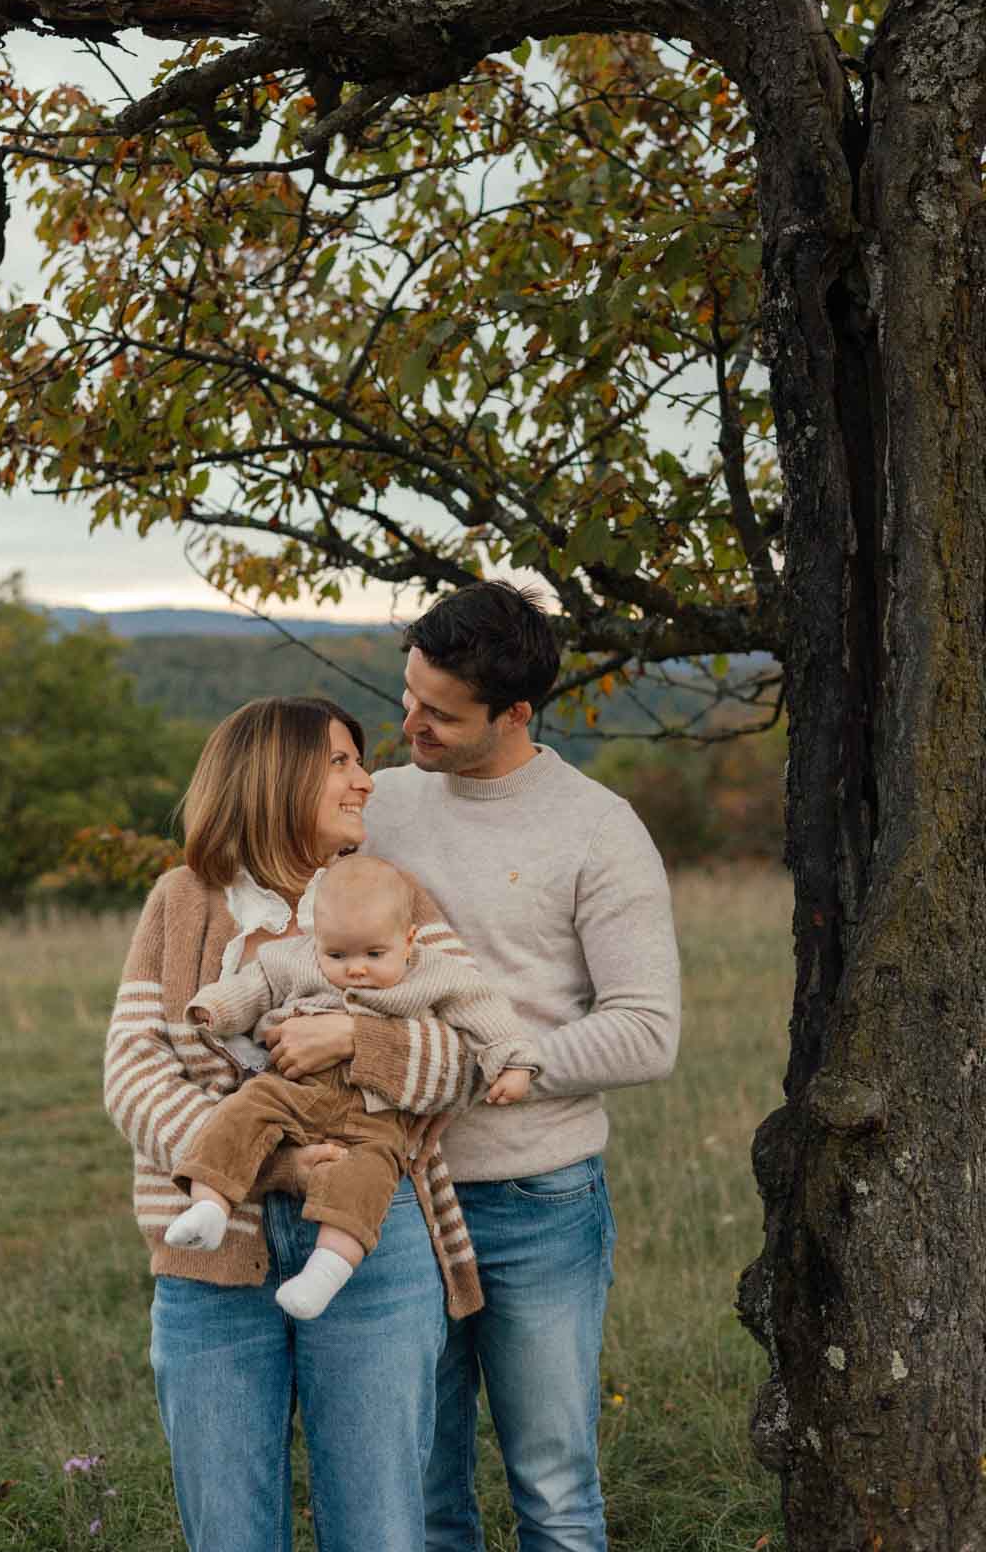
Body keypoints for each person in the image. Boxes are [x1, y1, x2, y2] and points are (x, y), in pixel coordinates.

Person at [102, 696, 482, 1552]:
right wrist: (267, 1163)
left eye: (360, 760)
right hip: (209, 1252)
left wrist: (360, 1038)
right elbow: (132, 1073)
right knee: (230, 1532)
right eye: (342, 761)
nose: (365, 779)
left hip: (370, 1247)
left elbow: (465, 1058)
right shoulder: (182, 904)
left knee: (380, 1527)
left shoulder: (392, 895)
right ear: (275, 777)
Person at [361, 580, 681, 1552]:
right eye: (407, 694)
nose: (408, 723)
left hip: (538, 1199)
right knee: (418, 1493)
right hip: (399, 1193)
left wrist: (491, 1064)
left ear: (513, 713)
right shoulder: (377, 805)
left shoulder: (597, 828)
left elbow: (646, 1029)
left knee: (552, 1491)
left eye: (438, 713)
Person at [167, 854, 539, 1320]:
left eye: (373, 955)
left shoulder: (435, 971)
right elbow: (255, 985)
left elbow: (486, 1014)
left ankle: (326, 1271)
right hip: (295, 1088)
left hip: (378, 1111)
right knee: (242, 1112)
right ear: (316, 939)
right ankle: (211, 1204)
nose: (355, 970)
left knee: (368, 1175)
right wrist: (216, 1009)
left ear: (407, 942)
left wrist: (515, 1064)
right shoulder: (294, 958)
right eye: (337, 955)